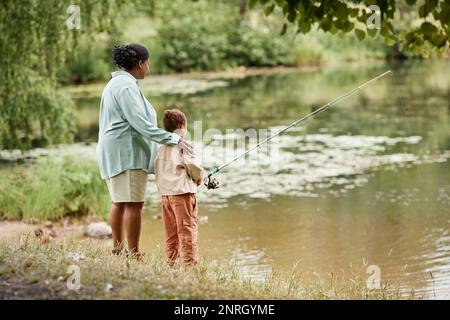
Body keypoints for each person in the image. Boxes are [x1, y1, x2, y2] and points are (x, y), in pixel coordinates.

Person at [96, 44, 191, 258]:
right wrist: (173, 138)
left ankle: (118, 250)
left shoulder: (117, 83)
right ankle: (134, 253)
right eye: (147, 62)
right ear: (140, 63)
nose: (148, 67)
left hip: (116, 151)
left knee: (119, 201)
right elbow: (140, 124)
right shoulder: (126, 87)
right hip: (127, 154)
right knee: (133, 204)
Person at [154, 109, 203, 267]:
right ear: (182, 126)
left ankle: (171, 265)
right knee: (187, 232)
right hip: (182, 195)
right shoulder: (183, 145)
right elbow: (194, 168)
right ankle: (190, 267)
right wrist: (200, 179)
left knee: (171, 233)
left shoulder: (160, 147)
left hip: (166, 196)